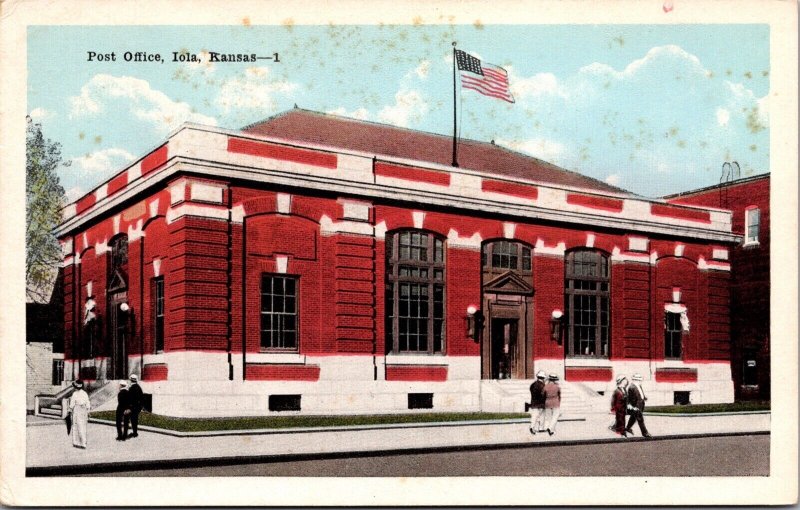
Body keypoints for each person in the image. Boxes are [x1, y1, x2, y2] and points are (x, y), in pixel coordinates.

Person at [626, 373, 652, 438]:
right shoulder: (631, 387)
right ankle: (645, 433)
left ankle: (627, 428)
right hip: (635, 405)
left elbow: (640, 393)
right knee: (640, 419)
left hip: (641, 404)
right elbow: (628, 397)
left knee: (633, 417)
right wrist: (631, 406)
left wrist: (643, 397)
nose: (640, 381)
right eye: (639, 380)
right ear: (635, 380)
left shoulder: (639, 386)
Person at [68, 380, 90, 449]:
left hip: (77, 410)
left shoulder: (75, 394)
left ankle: (75, 442)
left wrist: (70, 409)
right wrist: (88, 410)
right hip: (83, 410)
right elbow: (88, 402)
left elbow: (72, 403)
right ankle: (83, 443)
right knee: (83, 426)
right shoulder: (85, 393)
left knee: (75, 425)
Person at [128, 373, 144, 438]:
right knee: (135, 419)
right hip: (138, 406)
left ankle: (135, 433)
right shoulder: (138, 387)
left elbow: (130, 398)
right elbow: (141, 397)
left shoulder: (132, 388)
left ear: (131, 380)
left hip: (133, 407)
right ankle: (135, 432)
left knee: (133, 419)